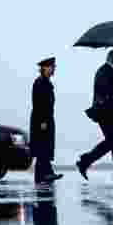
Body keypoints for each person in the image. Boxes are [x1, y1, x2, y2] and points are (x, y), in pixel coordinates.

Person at [77, 50, 113, 183]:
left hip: (111, 113)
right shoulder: (104, 72)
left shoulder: (108, 72)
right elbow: (107, 94)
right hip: (108, 114)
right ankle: (86, 161)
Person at [30, 57, 62, 185]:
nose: (54, 69)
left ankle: (45, 174)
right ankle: (44, 175)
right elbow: (38, 104)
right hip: (42, 120)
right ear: (45, 68)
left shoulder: (45, 82)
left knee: (44, 148)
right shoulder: (40, 82)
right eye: (52, 67)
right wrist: (43, 121)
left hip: (45, 119)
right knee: (42, 148)